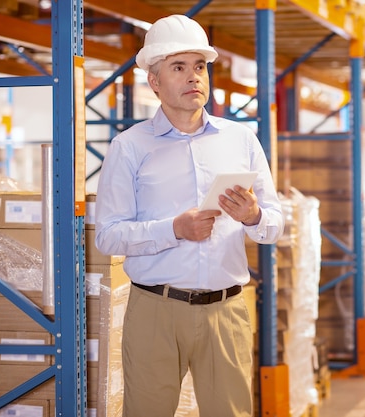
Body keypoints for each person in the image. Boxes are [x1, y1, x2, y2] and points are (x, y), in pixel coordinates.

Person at [94, 14, 284, 417]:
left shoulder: (241, 140)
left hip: (226, 311)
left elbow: (275, 224)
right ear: (155, 81)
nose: (193, 77)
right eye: (178, 67)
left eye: (199, 67)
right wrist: (174, 229)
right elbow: (107, 236)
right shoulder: (129, 147)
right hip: (155, 312)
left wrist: (253, 216)